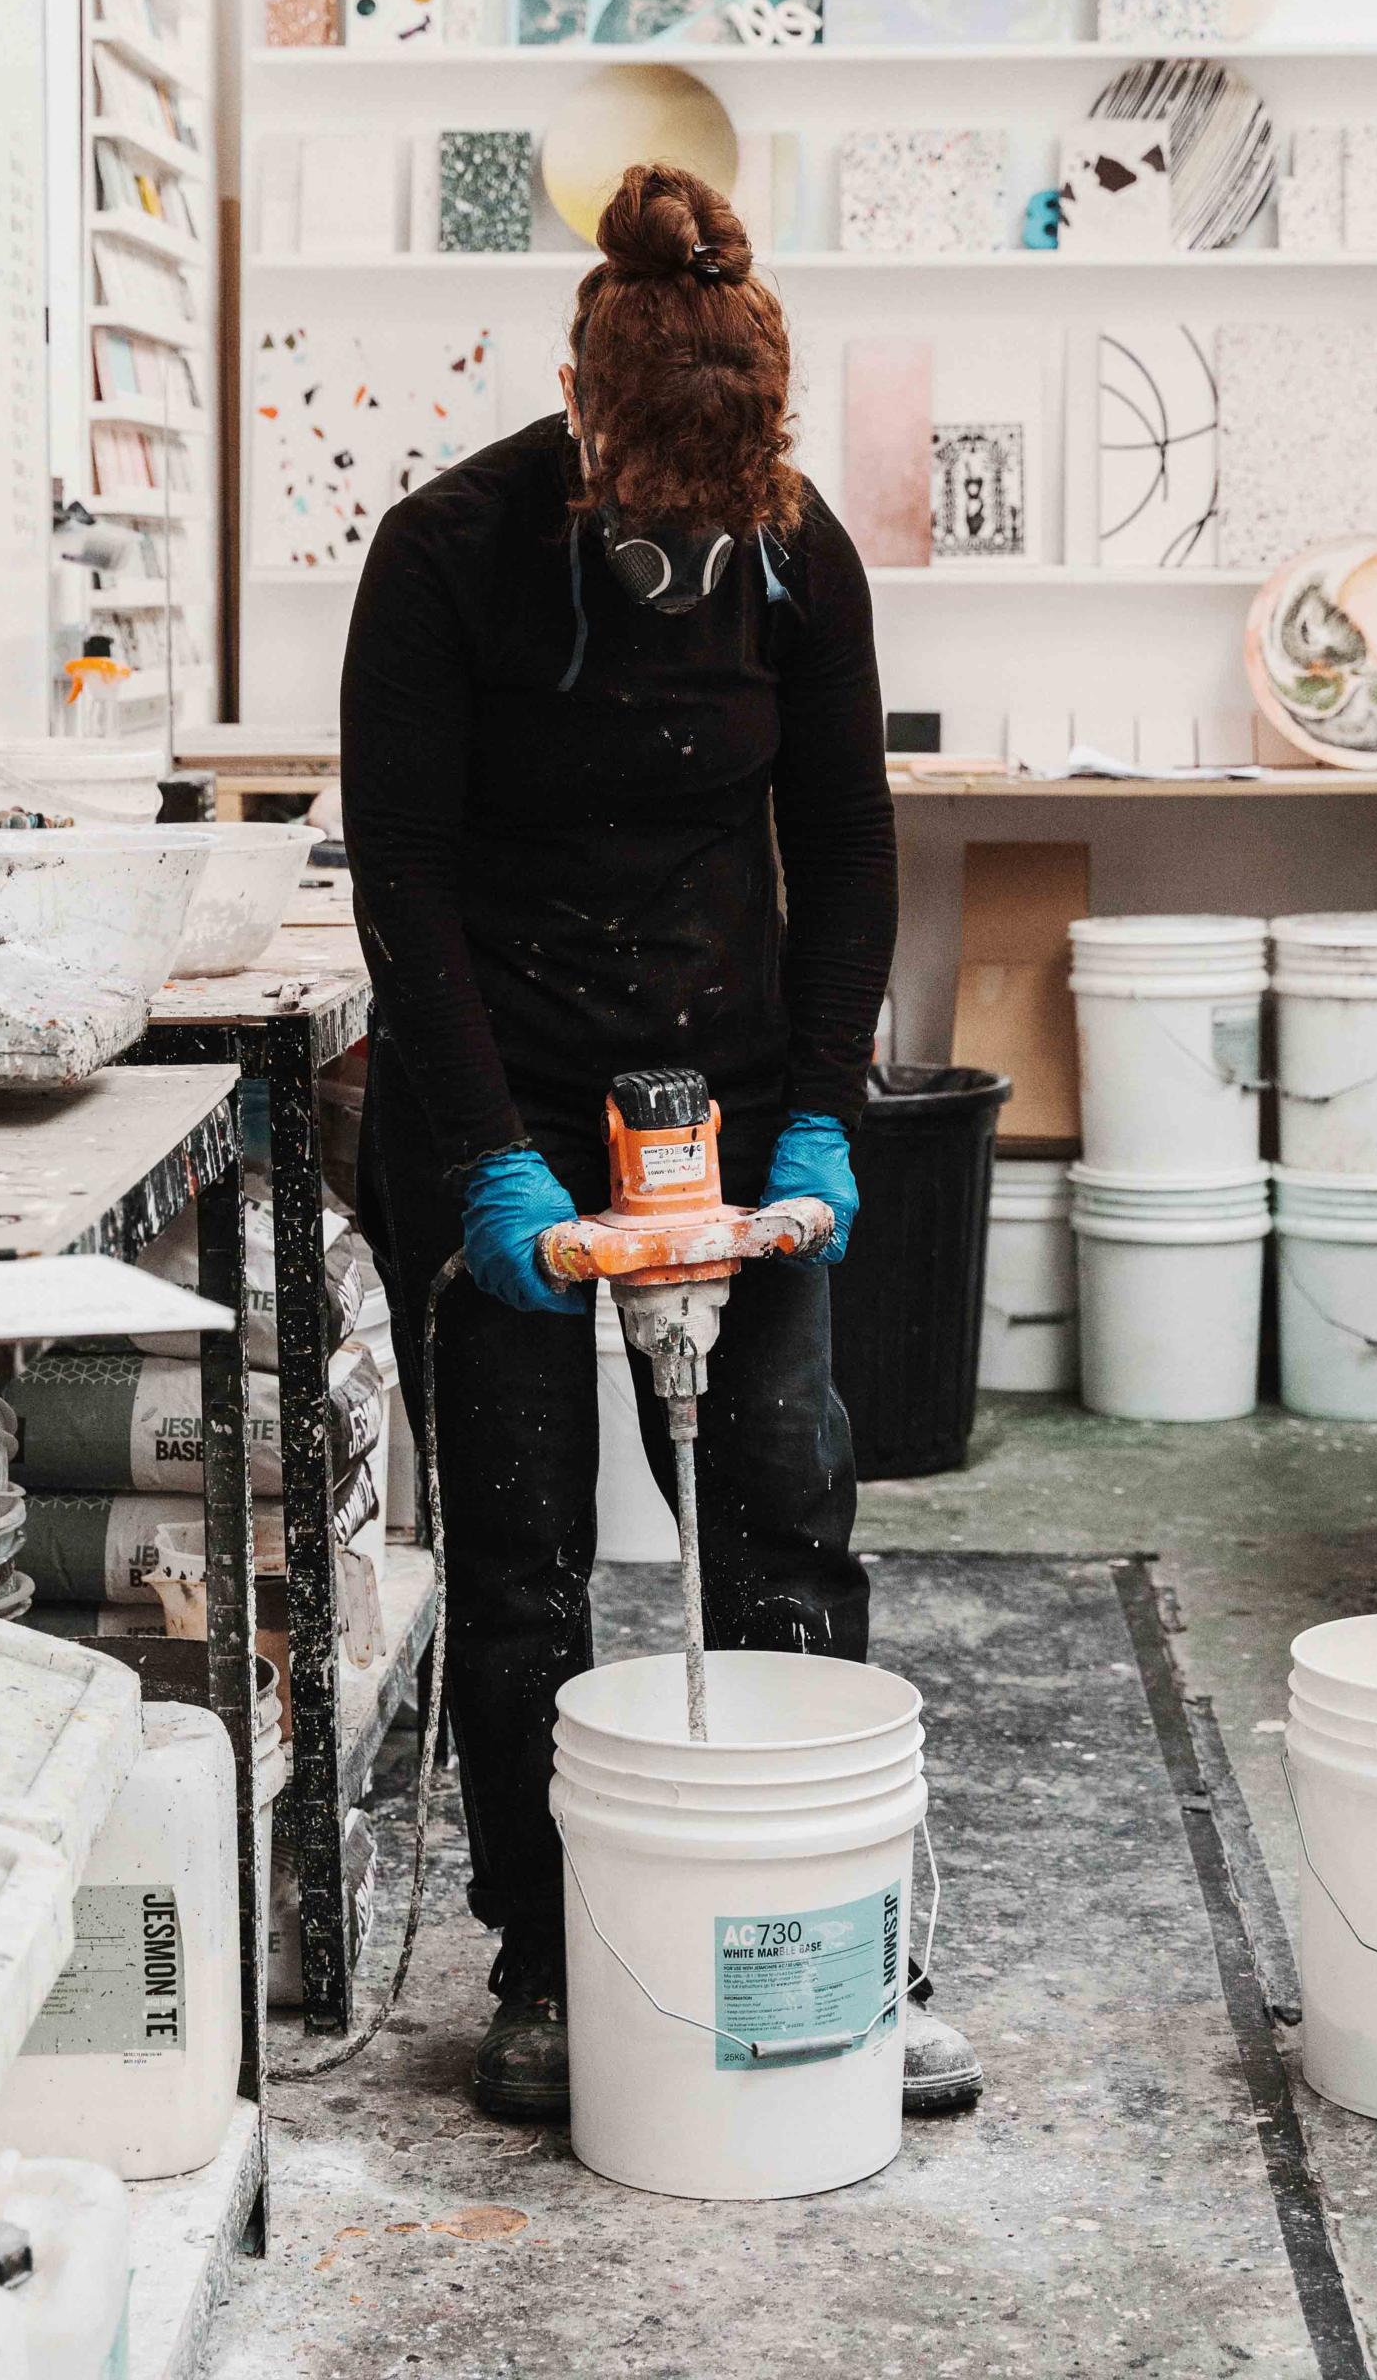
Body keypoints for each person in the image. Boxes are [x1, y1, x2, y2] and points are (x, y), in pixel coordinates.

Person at [342, 160, 979, 2124]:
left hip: (730, 1105)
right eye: (648, 520)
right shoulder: (446, 558)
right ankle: (551, 1967)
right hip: (510, 1100)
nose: (684, 558)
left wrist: (828, 1114)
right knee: (530, 1561)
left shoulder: (797, 554)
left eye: (720, 523)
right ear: (587, 417)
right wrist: (484, 1163)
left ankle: (842, 1931)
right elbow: (409, 876)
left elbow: (851, 849)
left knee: (781, 1509)